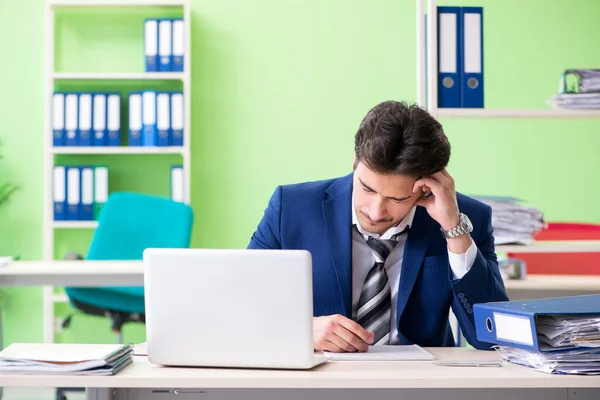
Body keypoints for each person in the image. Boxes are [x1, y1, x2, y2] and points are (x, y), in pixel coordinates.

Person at [248, 100, 509, 352]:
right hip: (319, 385)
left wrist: (454, 229)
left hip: (420, 387)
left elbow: (491, 338)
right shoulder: (291, 208)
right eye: (367, 188)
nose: (376, 211)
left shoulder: (466, 218)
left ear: (425, 189)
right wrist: (302, 330)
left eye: (397, 199)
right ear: (355, 163)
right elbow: (239, 307)